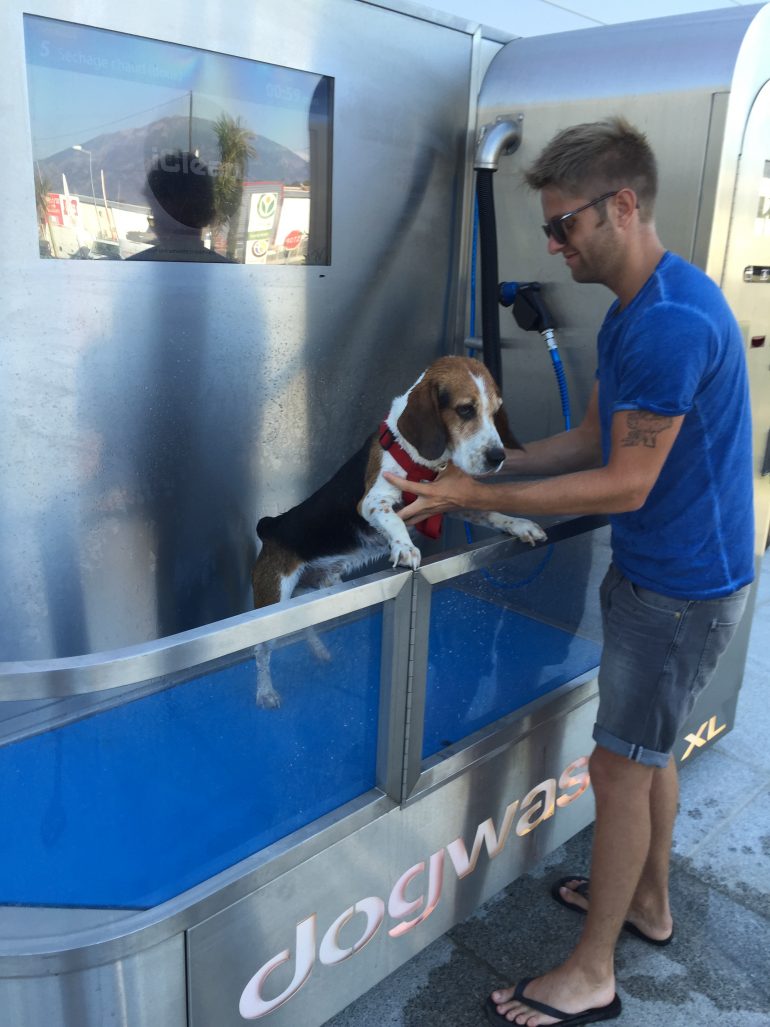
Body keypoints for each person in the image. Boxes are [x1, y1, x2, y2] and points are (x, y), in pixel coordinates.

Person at [385, 117, 755, 1026]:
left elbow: (627, 481)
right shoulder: (640, 306)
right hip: (666, 578)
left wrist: (472, 501)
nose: (555, 245)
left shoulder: (668, 321)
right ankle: (649, 903)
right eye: (549, 229)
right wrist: (488, 469)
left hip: (680, 590)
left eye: (564, 226)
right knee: (646, 750)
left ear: (621, 205)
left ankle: (592, 975)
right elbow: (593, 437)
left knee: (618, 765)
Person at [127, 150, 233, 262]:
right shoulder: (232, 274)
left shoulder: (130, 269)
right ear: (209, 215)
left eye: (155, 214)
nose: (154, 227)